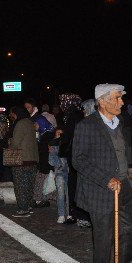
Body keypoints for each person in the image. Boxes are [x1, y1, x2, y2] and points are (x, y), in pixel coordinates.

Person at [73, 84, 132, 263]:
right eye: (117, 98)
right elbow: (78, 160)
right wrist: (107, 179)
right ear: (103, 101)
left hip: (123, 185)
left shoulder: (120, 122)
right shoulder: (86, 126)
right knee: (104, 234)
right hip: (100, 188)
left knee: (128, 230)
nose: (122, 102)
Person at [59, 93, 89, 226]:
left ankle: (78, 215)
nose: (61, 105)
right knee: (76, 184)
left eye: (64, 102)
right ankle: (76, 214)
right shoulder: (76, 115)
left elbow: (70, 137)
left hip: (76, 156)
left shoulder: (73, 116)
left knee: (75, 185)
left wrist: (62, 146)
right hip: (78, 155)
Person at [10, 106, 39, 217]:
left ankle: (23, 209)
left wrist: (10, 146)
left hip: (22, 160)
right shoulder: (30, 123)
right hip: (32, 159)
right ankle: (29, 206)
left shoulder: (20, 124)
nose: (13, 116)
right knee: (29, 185)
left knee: (20, 185)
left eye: (13, 114)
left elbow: (16, 143)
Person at [33, 114, 54, 208]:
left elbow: (45, 151)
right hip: (45, 163)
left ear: (41, 123)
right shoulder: (45, 134)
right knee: (44, 182)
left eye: (36, 124)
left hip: (45, 164)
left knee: (40, 182)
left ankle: (39, 200)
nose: (35, 126)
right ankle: (42, 200)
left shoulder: (47, 135)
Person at [49, 128, 69, 224]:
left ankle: (69, 213)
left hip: (69, 172)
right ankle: (61, 214)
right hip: (60, 172)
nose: (59, 136)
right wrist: (60, 163)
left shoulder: (67, 144)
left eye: (61, 134)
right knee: (61, 193)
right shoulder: (53, 145)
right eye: (58, 134)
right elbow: (51, 161)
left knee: (68, 194)